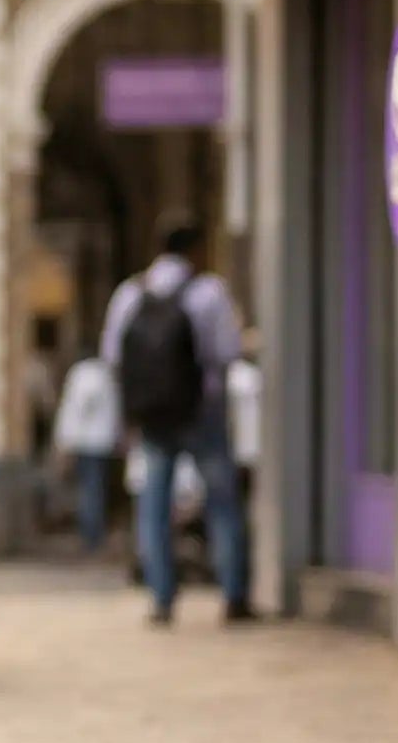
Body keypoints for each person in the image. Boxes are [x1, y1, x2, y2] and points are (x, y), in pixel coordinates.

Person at [103, 218, 251, 625]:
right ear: (196, 249)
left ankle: (162, 596)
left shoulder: (131, 294)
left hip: (154, 414)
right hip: (201, 411)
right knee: (222, 501)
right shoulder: (208, 292)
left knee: (154, 504)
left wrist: (130, 412)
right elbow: (227, 352)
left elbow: (113, 357)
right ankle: (234, 592)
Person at [51, 352, 120, 554]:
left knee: (90, 490)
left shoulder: (84, 374)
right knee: (94, 489)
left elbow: (78, 408)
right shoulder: (104, 373)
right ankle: (93, 533)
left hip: (87, 441)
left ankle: (91, 534)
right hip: (100, 440)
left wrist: (65, 441)